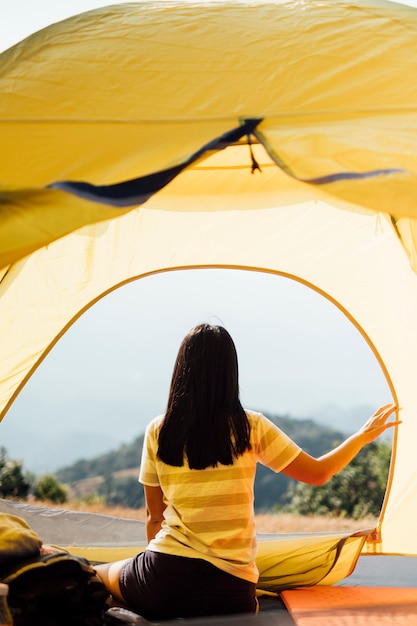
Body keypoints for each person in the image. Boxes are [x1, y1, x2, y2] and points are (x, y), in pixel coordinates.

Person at [95, 323, 399, 621]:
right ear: (230, 373)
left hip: (165, 578)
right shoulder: (251, 427)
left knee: (100, 572)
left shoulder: (159, 430)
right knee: (233, 607)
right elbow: (318, 473)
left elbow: (155, 519)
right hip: (231, 592)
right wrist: (360, 438)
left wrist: (157, 582)